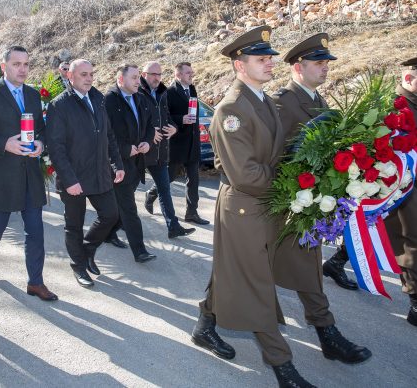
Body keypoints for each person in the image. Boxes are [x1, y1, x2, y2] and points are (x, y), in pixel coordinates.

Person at [190, 26, 314, 387]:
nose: (270, 63)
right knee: (256, 285)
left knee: (236, 272)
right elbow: (245, 174)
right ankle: (284, 368)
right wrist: (291, 180)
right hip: (244, 208)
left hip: (265, 204)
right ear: (239, 65)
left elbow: (276, 153)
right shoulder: (231, 109)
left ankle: (205, 325)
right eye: (261, 59)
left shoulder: (263, 101)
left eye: (270, 57)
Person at [272, 33, 371, 363]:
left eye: (327, 62)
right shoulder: (283, 102)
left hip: (312, 205)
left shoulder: (319, 101)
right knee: (248, 268)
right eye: (318, 63)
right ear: (298, 67)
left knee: (300, 267)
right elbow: (275, 155)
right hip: (288, 207)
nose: (325, 67)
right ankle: (328, 334)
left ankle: (327, 334)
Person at [0, 46, 58, 301]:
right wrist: (3, 144)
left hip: (30, 173)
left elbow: (41, 129)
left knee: (35, 231)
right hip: (1, 174)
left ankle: (35, 282)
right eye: (16, 64)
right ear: (4, 66)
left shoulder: (32, 94)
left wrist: (41, 143)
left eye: (26, 64)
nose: (22, 69)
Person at [46, 59, 125, 287]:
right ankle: (78, 266)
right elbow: (56, 147)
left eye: (91, 74)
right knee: (74, 226)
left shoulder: (98, 99)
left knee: (111, 215)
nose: (89, 78)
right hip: (74, 178)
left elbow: (109, 136)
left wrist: (117, 164)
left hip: (100, 172)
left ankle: (88, 250)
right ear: (70, 77)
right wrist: (69, 180)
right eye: (83, 74)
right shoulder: (59, 105)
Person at [104, 64, 157, 263]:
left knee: (121, 205)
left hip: (138, 163)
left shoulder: (140, 98)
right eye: (134, 77)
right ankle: (140, 251)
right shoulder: (109, 101)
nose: (138, 81)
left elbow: (150, 126)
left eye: (138, 77)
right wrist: (125, 149)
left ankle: (108, 233)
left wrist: (148, 142)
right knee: (129, 208)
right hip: (118, 164)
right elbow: (106, 135)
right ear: (121, 80)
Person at [146, 62, 209, 225]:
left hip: (193, 142)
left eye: (192, 72)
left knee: (193, 179)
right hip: (177, 143)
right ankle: (151, 194)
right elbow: (165, 116)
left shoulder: (192, 89)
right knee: (170, 176)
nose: (192, 74)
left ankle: (192, 213)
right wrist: (181, 119)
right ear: (178, 75)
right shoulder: (169, 92)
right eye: (188, 72)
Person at [139, 61, 195, 239]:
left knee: (165, 190)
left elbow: (167, 116)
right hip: (141, 153)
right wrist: (149, 135)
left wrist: (174, 128)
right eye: (153, 74)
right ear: (144, 75)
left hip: (160, 152)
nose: (157, 78)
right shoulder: (137, 93)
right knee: (126, 191)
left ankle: (173, 226)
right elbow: (134, 121)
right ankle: (115, 224)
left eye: (159, 74)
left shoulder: (162, 93)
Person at [387, 56, 417, 327]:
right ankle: (415, 300)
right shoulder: (394, 106)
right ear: (408, 78)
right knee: (410, 238)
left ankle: (338, 260)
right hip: (402, 184)